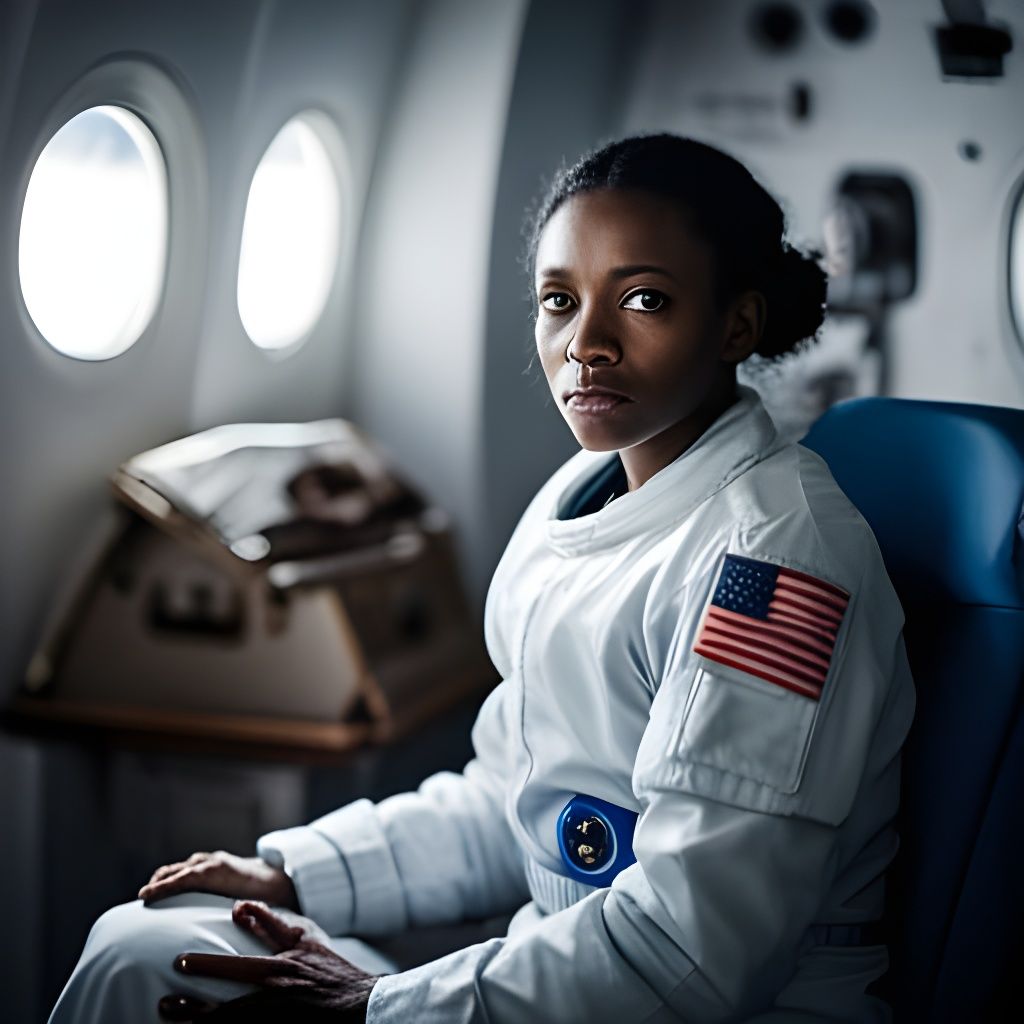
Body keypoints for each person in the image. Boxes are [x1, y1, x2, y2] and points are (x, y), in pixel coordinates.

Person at [49, 132, 915, 1023]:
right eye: (558, 301)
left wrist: (381, 1003)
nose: (587, 344)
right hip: (564, 973)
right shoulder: (573, 504)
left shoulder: (772, 560)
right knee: (141, 942)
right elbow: (514, 799)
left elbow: (693, 951)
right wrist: (293, 873)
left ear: (736, 323)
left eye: (644, 299)